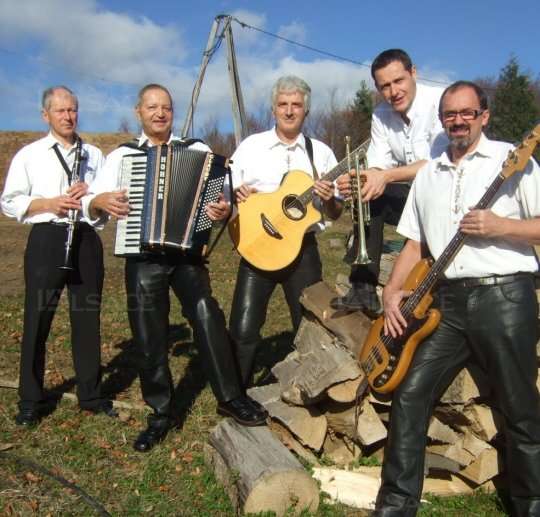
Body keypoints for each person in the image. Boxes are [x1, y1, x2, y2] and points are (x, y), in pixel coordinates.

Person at [373, 81, 540, 516]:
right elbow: (413, 245)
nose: (458, 120)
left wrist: (501, 227)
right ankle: (395, 505)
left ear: (484, 115)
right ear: (442, 119)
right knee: (410, 394)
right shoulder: (429, 173)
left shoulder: (512, 160)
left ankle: (531, 505)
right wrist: (392, 292)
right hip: (444, 306)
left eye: (467, 113)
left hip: (504, 298)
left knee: (520, 407)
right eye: (450, 114)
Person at [84, 83, 267, 453]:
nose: (159, 113)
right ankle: (161, 413)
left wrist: (221, 210)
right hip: (142, 254)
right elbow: (93, 198)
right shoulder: (122, 156)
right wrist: (100, 199)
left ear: (172, 111)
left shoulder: (196, 150)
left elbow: (220, 201)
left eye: (166, 107)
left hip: (186, 254)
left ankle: (230, 396)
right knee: (149, 333)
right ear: (139, 112)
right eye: (152, 107)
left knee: (207, 316)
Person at [1, 86, 117, 426]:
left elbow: (102, 207)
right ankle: (30, 400)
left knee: (86, 320)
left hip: (85, 239)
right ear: (46, 115)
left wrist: (92, 198)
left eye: (73, 110)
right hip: (48, 238)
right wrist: (50, 203)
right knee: (37, 319)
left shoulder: (93, 154)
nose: (68, 117)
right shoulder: (30, 154)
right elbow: (10, 201)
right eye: (61, 111)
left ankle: (91, 395)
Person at [228, 75, 343, 389]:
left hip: (302, 248)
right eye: (283, 104)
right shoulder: (252, 146)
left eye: (296, 105)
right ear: (273, 108)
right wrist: (235, 194)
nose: (289, 111)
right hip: (258, 244)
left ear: (306, 110)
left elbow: (335, 212)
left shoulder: (320, 153)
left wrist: (330, 197)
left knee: (309, 323)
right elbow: (225, 191)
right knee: (244, 324)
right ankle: (236, 392)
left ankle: (304, 389)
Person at [334, 49, 447, 315]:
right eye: (385, 86)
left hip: (445, 199)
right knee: (369, 193)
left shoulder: (440, 102)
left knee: (380, 184)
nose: (393, 91)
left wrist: (384, 176)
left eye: (399, 81)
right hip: (411, 197)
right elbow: (377, 166)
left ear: (414, 73)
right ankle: (363, 287)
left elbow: (438, 165)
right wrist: (358, 180)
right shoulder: (380, 115)